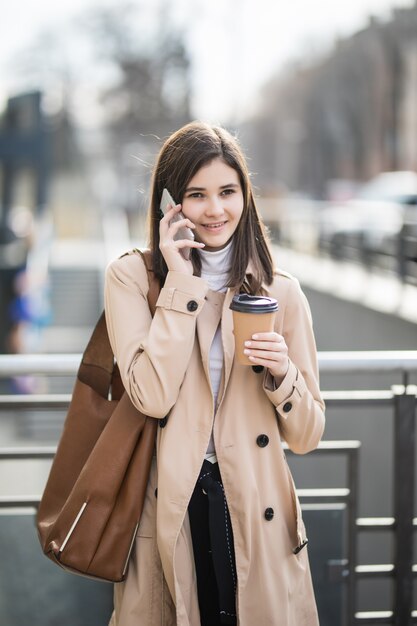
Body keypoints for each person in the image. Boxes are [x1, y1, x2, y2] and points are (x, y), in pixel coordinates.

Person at [104, 121, 325, 626]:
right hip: (171, 510)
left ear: (245, 195)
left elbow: (309, 434)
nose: (216, 209)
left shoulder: (280, 293)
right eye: (196, 195)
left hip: (256, 514)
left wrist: (282, 373)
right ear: (169, 203)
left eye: (228, 191)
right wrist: (180, 280)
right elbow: (152, 396)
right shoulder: (133, 279)